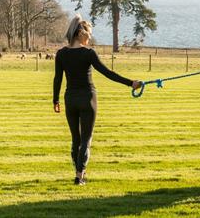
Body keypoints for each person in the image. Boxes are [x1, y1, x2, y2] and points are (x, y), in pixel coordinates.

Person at [53, 15, 141, 185]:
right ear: (81, 33)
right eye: (89, 33)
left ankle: (79, 171)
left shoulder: (61, 54)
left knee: (75, 139)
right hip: (88, 98)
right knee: (86, 139)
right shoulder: (88, 53)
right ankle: (79, 175)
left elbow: (57, 79)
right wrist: (131, 83)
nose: (90, 37)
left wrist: (55, 100)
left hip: (70, 99)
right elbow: (108, 73)